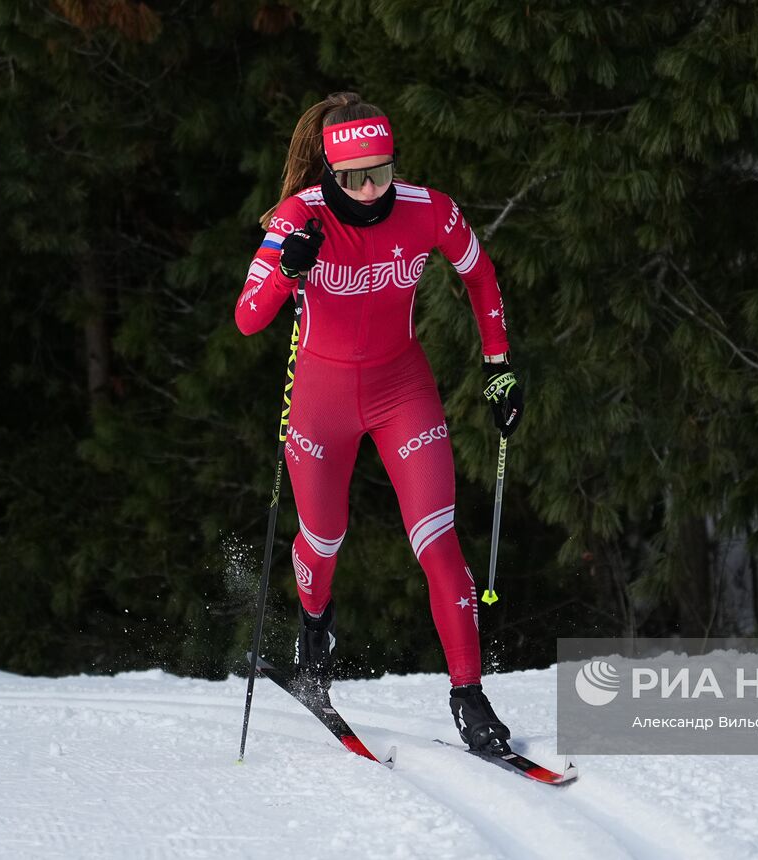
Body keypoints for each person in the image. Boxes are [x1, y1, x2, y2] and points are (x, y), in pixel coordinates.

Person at [234, 92, 524, 754]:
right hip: (320, 400)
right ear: (328, 172)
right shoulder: (297, 218)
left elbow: (481, 277)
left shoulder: (429, 210)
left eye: (381, 172)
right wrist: (287, 270)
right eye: (352, 177)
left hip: (402, 390)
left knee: (438, 539)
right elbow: (248, 317)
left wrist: (499, 365)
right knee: (325, 538)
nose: (369, 190)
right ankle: (314, 629)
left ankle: (469, 696)